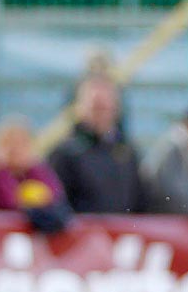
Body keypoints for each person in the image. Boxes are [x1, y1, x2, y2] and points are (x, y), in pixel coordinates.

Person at [49, 75, 152, 215]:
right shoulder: (63, 154)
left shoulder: (129, 154)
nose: (101, 113)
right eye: (95, 107)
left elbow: (141, 203)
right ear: (79, 108)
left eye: (105, 107)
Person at [0, 117, 70, 235]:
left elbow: (55, 197)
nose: (16, 149)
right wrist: (1, 169)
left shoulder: (38, 171)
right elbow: (10, 201)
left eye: (22, 143)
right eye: (9, 143)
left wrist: (34, 167)